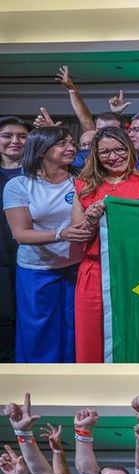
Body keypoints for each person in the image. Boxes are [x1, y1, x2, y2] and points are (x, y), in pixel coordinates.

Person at [3, 126, 93, 362]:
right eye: (62, 144)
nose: (71, 148)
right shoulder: (19, 185)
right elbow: (21, 234)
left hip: (76, 269)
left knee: (74, 332)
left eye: (72, 143)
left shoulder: (81, 180)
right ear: (42, 150)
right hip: (37, 272)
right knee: (39, 336)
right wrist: (62, 234)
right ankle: (37, 390)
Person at [71, 126, 139, 362]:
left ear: (129, 149)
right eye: (105, 152)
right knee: (91, 336)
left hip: (135, 271)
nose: (113, 157)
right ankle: (92, 395)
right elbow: (78, 236)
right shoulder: (84, 185)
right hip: (95, 271)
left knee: (134, 334)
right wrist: (91, 218)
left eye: (119, 149)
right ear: (95, 156)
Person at [0, 116, 28, 363]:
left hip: (32, 258)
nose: (15, 141)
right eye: (7, 136)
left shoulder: (38, 174)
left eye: (21, 136)